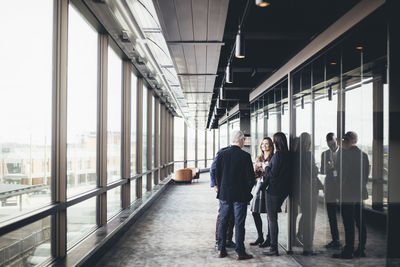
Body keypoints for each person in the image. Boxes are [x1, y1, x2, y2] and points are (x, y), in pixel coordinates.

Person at [215, 130, 255, 260]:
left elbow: (217, 174)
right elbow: (250, 179)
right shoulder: (245, 156)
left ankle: (221, 249)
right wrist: (247, 190)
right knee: (239, 223)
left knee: (223, 221)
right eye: (243, 140)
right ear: (241, 140)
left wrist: (221, 188)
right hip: (240, 195)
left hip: (225, 194)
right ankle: (240, 252)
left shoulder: (222, 154)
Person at [333, 131, 369, 259]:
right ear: (356, 140)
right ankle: (361, 249)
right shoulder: (363, 155)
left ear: (346, 141)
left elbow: (342, 176)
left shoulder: (344, 155)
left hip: (347, 194)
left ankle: (348, 251)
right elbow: (365, 176)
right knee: (360, 222)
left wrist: (338, 192)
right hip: (359, 193)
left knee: (348, 224)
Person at [261, 132, 292, 256]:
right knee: (273, 219)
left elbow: (272, 175)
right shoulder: (289, 155)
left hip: (274, 191)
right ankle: (272, 244)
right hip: (284, 190)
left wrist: (266, 167)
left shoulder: (277, 156)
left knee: (272, 219)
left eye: (273, 141)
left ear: (277, 142)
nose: (272, 143)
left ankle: (273, 248)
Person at [296, 132, 324, 255]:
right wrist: (316, 168)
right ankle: (308, 247)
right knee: (310, 219)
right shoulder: (308, 155)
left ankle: (299, 235)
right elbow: (314, 172)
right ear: (308, 142)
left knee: (306, 215)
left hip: (299, 191)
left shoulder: (296, 155)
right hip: (310, 191)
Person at [249, 137, 274, 248]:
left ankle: (269, 238)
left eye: (267, 143)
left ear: (271, 145)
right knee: (254, 211)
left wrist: (264, 170)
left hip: (269, 187)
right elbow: (256, 174)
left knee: (270, 214)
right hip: (259, 186)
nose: (264, 145)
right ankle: (260, 236)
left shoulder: (273, 158)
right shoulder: (259, 157)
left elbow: (272, 173)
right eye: (263, 143)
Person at [210, 146, 235, 249]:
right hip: (223, 189)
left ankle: (228, 239)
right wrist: (214, 185)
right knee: (223, 214)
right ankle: (219, 240)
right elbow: (213, 169)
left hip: (233, 189)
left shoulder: (236, 153)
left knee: (232, 215)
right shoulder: (222, 153)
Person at [321, 132, 341, 249]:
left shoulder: (344, 153)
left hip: (342, 188)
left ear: (336, 140)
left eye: (332, 141)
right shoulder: (325, 154)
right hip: (330, 189)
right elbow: (322, 170)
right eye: (328, 142)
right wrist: (327, 168)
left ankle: (349, 242)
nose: (330, 144)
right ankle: (335, 240)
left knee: (347, 216)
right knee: (332, 216)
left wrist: (336, 169)